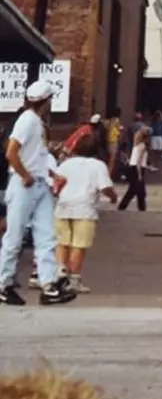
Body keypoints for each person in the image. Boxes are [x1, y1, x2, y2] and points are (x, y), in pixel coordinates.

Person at [0, 80, 75, 305]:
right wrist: (24, 175)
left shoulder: (35, 121)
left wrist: (51, 174)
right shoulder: (28, 121)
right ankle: (3, 282)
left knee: (47, 234)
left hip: (38, 182)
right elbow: (11, 152)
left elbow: (37, 156)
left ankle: (49, 283)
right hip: (25, 184)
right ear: (46, 101)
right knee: (15, 235)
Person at [53, 134, 117, 292]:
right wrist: (113, 197)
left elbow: (55, 183)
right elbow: (105, 187)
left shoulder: (66, 164)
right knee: (78, 245)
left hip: (63, 205)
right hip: (85, 208)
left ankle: (61, 271)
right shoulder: (98, 165)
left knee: (62, 242)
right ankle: (74, 280)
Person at [118, 127, 149, 211]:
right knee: (138, 190)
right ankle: (141, 208)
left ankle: (123, 206)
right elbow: (139, 161)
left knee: (133, 190)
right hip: (137, 169)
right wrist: (140, 175)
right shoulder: (143, 146)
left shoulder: (136, 146)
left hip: (132, 168)